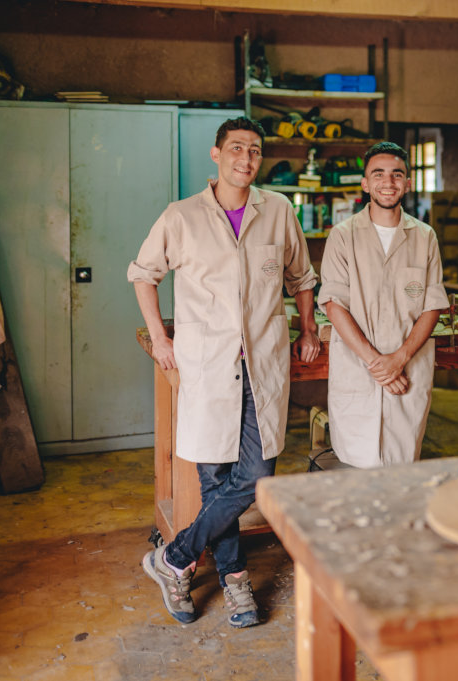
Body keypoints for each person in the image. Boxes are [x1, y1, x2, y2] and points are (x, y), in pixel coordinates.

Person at [128, 116, 320, 627]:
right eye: (237, 148)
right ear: (216, 154)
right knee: (216, 481)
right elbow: (143, 275)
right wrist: (162, 337)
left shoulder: (277, 212)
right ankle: (235, 583)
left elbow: (302, 276)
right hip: (208, 368)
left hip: (262, 367)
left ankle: (173, 558)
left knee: (257, 477)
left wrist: (306, 328)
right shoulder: (182, 216)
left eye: (255, 150)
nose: (247, 158)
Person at [318, 142, 447, 467]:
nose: (388, 182)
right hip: (359, 371)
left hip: (409, 370)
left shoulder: (424, 236)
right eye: (378, 174)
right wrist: (380, 365)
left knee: (401, 468)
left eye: (396, 174)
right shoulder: (343, 236)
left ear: (407, 183)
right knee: (355, 471)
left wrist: (399, 359)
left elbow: (432, 305)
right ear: (364, 183)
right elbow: (334, 304)